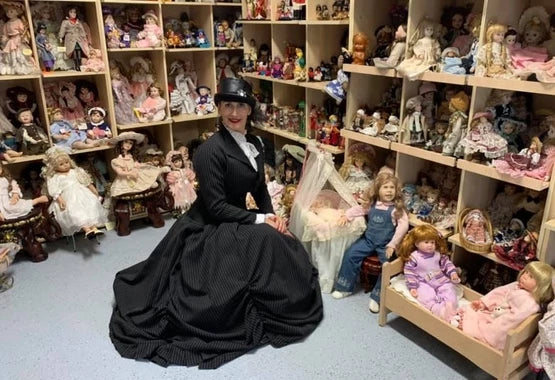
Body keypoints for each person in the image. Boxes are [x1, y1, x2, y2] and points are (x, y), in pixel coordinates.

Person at [109, 78, 323, 369]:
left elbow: (259, 188)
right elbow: (217, 207)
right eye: (227, 105)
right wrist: (260, 219)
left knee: (280, 239)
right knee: (254, 251)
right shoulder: (210, 151)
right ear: (219, 108)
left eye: (240, 105)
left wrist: (271, 215)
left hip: (238, 216)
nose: (234, 112)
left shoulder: (257, 143)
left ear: (249, 109)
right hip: (209, 224)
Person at [331, 172, 409, 313]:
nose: (389, 191)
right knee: (351, 254)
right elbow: (359, 209)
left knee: (388, 266)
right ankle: (344, 288)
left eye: (392, 188)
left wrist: (392, 245)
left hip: (385, 244)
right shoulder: (372, 205)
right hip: (368, 240)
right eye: (385, 187)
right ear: (378, 189)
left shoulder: (397, 210)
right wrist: (347, 215)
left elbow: (403, 227)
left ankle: (377, 297)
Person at [397, 224, 460, 320]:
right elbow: (409, 272)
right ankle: (438, 309)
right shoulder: (415, 257)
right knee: (425, 294)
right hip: (423, 282)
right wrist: (413, 286)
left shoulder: (437, 255)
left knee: (449, 289)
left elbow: (447, 263)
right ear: (417, 244)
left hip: (439, 279)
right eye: (426, 242)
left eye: (432, 242)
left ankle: (450, 306)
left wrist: (453, 273)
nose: (430, 245)